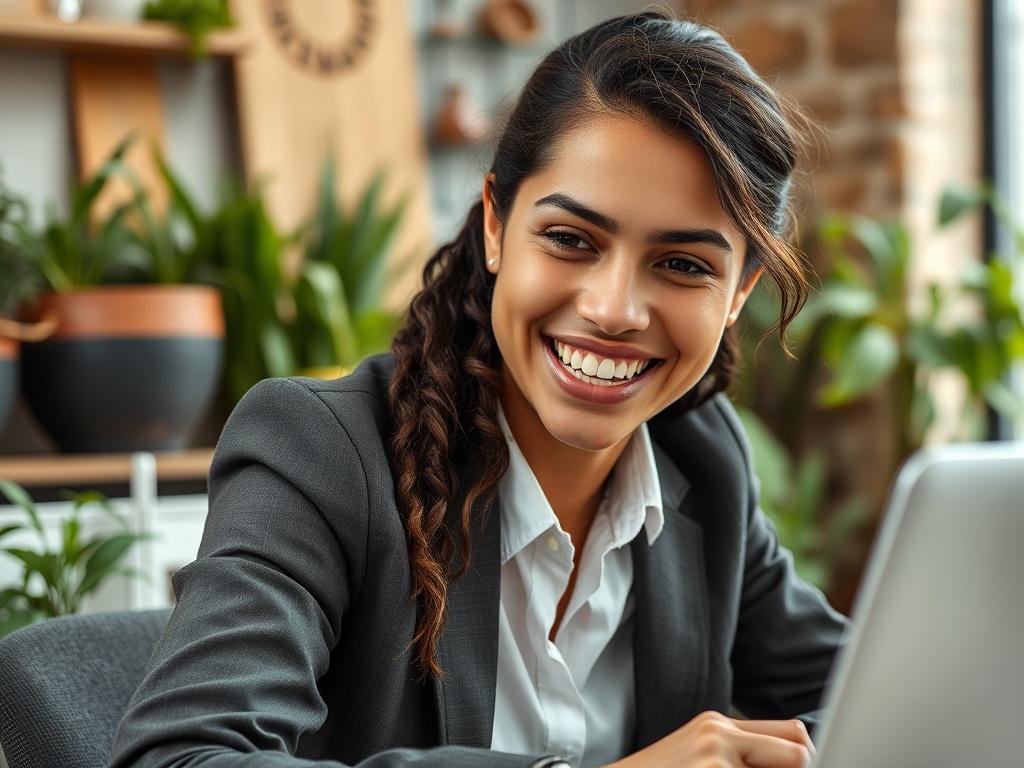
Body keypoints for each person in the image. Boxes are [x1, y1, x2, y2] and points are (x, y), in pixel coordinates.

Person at [110, 10, 847, 768]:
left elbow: (874, 698)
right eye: (571, 240)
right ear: (496, 224)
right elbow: (177, 758)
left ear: (739, 292)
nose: (614, 311)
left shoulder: (703, 458)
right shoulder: (322, 455)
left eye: (685, 264)